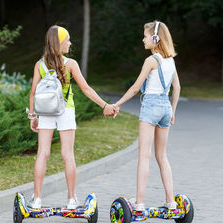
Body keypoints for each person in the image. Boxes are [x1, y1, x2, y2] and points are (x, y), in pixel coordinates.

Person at [27, 25, 117, 209]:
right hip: (65, 110)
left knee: (42, 154)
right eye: (67, 39)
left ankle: (36, 200)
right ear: (59, 43)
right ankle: (71, 199)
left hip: (45, 112)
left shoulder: (40, 64)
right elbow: (86, 90)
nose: (70, 42)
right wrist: (105, 105)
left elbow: (33, 93)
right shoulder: (70, 64)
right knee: (67, 154)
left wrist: (32, 116)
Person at [114, 21, 181, 212]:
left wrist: (117, 104)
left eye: (145, 36)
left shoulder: (151, 61)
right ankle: (171, 202)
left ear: (155, 38)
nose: (143, 39)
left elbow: (136, 88)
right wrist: (173, 110)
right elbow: (177, 87)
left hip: (151, 106)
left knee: (144, 156)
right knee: (162, 156)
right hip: (165, 107)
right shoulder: (171, 61)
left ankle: (140, 202)